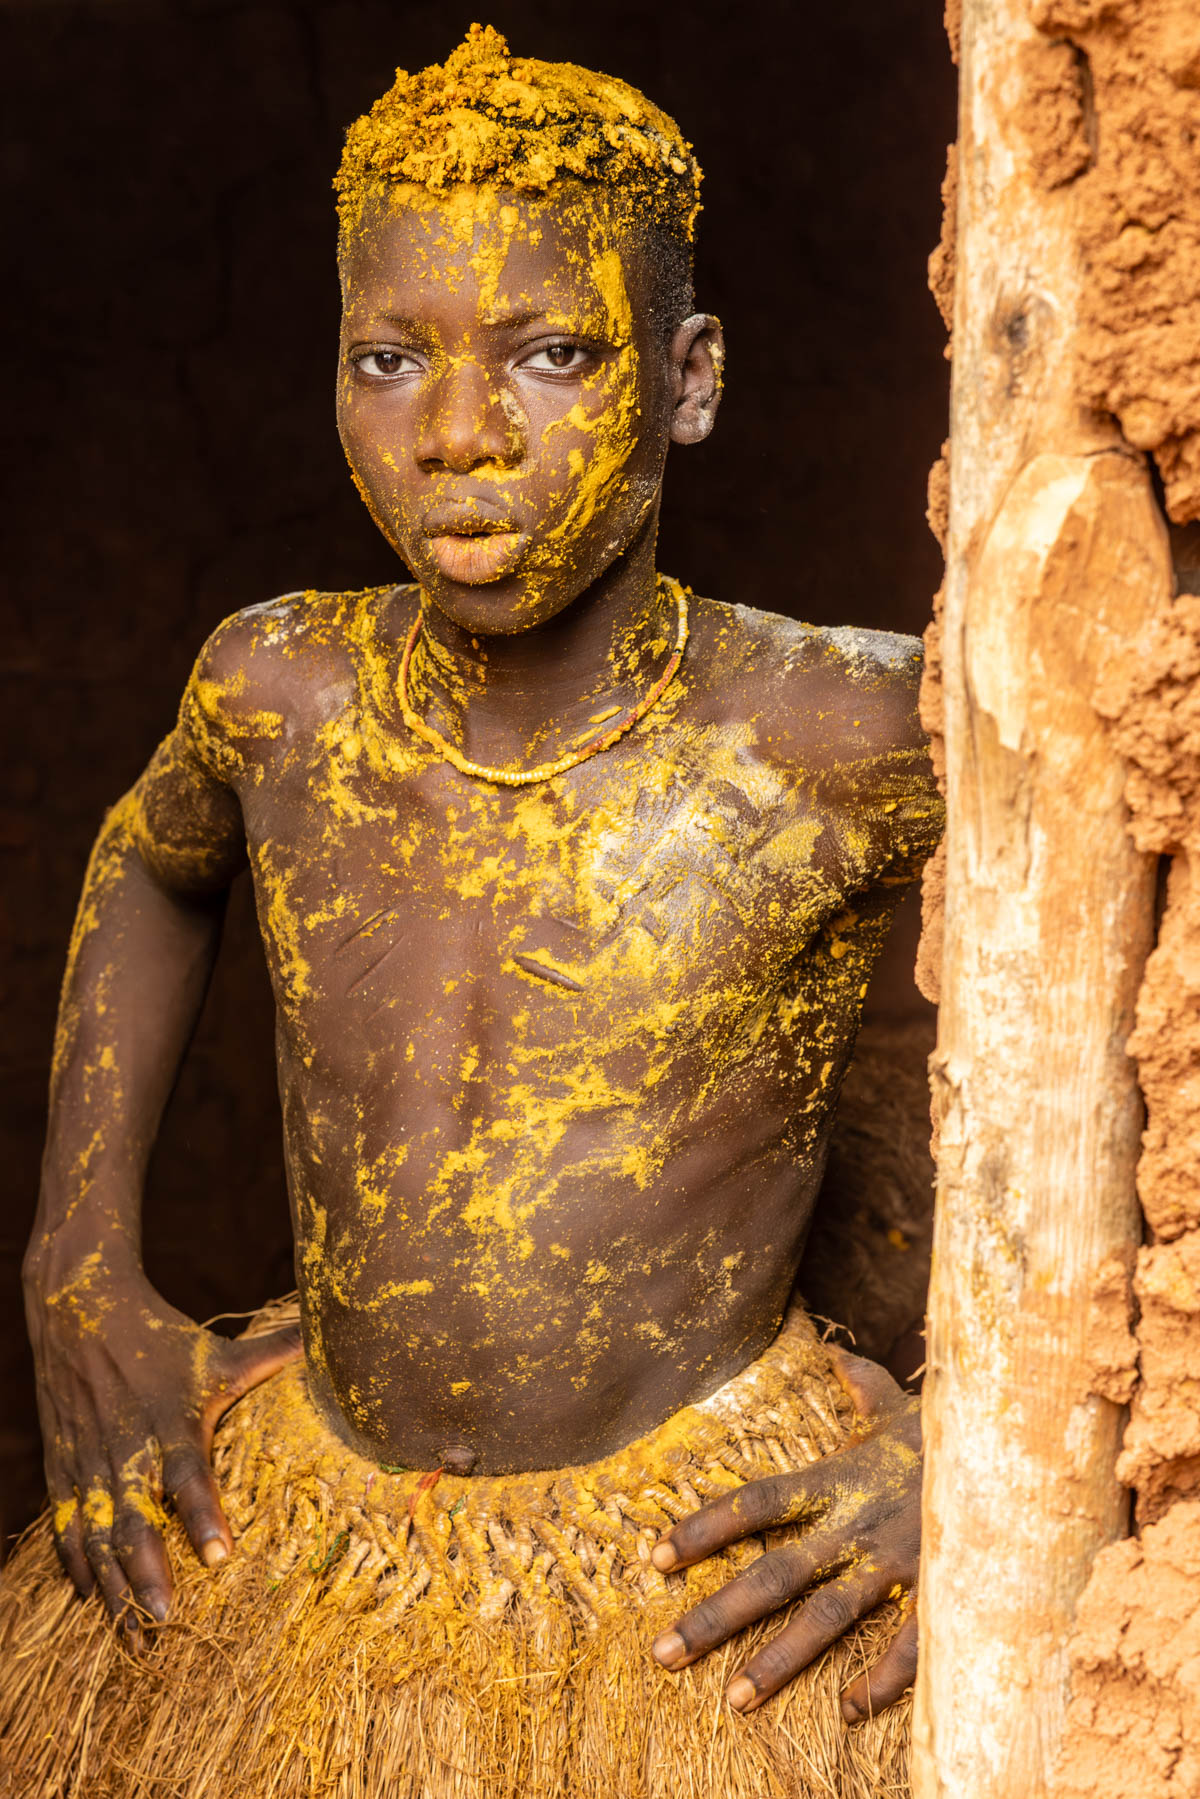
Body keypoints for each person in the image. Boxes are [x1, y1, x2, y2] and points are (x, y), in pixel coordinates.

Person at [8, 25, 941, 1797]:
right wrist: (75, 1259)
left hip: (690, 1565)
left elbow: (1139, 1006)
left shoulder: (845, 730)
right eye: (386, 356)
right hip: (315, 1525)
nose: (455, 434)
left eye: (551, 355)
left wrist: (978, 1435)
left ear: (689, 379)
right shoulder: (279, 690)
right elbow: (150, 854)